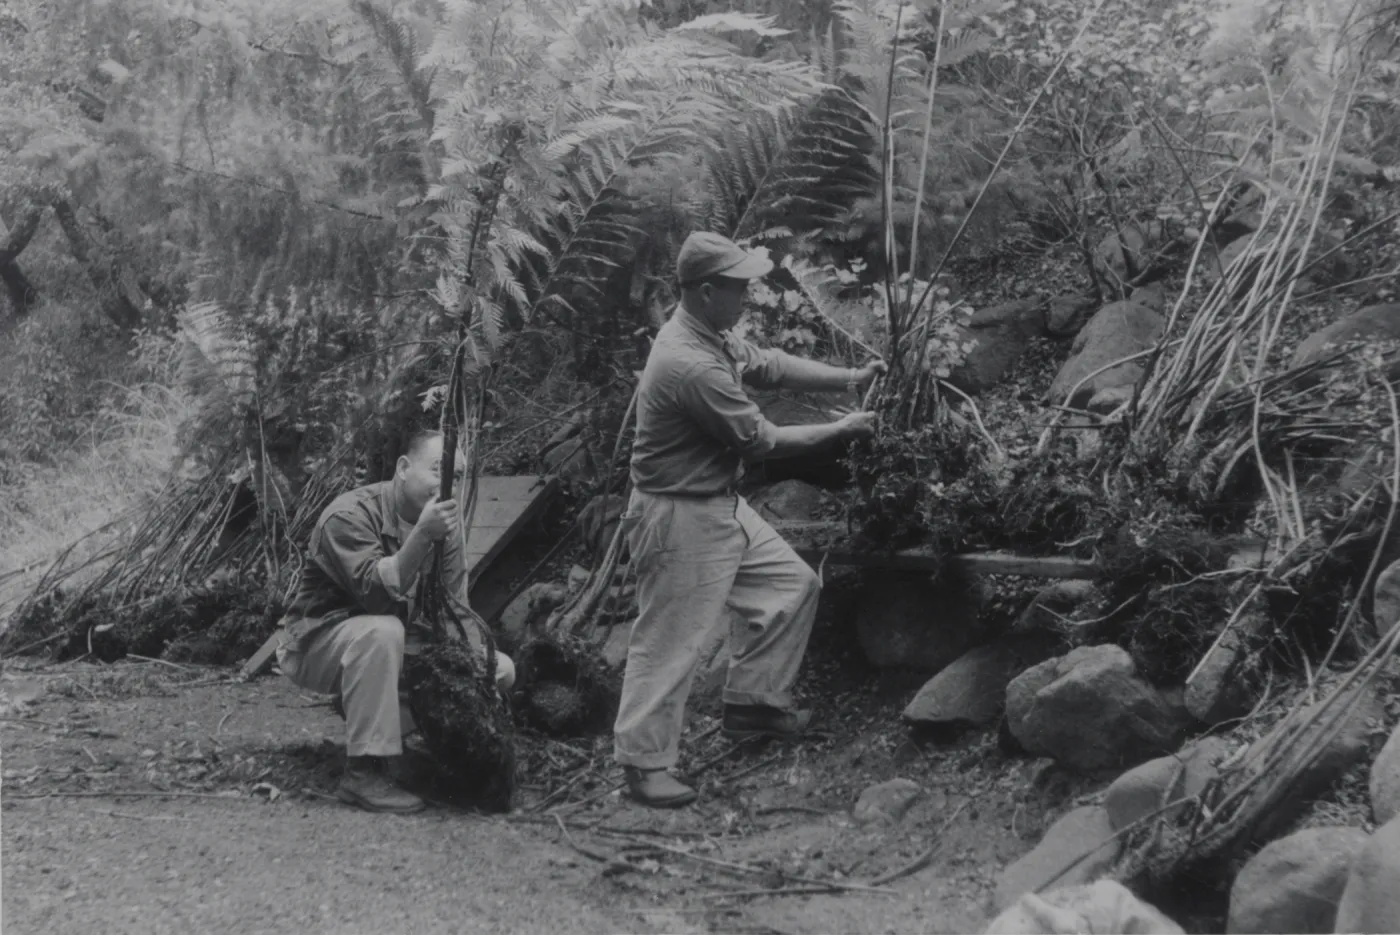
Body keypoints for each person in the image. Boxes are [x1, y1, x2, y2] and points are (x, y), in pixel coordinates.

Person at [616, 230, 886, 807]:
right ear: (707, 291)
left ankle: (753, 707)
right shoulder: (688, 363)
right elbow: (761, 441)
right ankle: (643, 765)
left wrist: (849, 378)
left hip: (717, 504)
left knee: (790, 587)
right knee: (670, 642)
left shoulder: (710, 332)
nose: (747, 295)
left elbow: (770, 364)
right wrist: (841, 429)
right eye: (738, 286)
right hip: (679, 517)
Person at [276, 430, 515, 814]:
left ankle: (419, 751)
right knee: (382, 631)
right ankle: (363, 772)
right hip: (317, 644)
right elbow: (377, 594)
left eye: (456, 476)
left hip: (390, 646)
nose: (447, 484)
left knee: (500, 669)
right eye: (438, 470)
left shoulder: (446, 531)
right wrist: (422, 533)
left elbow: (456, 610)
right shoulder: (349, 515)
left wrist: (478, 679)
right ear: (404, 468)